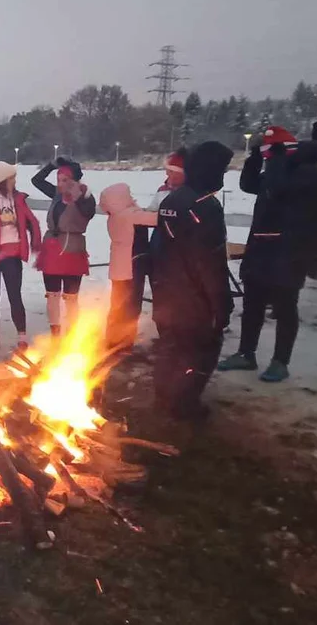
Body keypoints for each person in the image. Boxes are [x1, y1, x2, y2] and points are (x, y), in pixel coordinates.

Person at [219, 128, 317, 382]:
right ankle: (246, 353)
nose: (267, 157)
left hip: (290, 252)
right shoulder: (275, 169)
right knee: (252, 305)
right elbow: (249, 185)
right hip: (261, 248)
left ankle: (281, 361)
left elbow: (278, 190)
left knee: (285, 307)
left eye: (269, 151)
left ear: (284, 150)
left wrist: (279, 160)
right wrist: (254, 159)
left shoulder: (309, 173)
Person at [149, 141, 235, 422]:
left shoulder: (172, 201)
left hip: (168, 293)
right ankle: (184, 404)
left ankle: (164, 394)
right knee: (201, 351)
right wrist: (221, 304)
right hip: (195, 300)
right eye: (222, 169)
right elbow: (209, 264)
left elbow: (161, 249)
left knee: (171, 346)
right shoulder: (205, 206)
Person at [0, 161, 41, 351]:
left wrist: (36, 240)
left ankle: (22, 337)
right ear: (3, 180)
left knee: (15, 295)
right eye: (11, 178)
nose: (14, 181)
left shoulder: (17, 198)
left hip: (12, 254)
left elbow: (32, 221)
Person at [31, 157, 96, 336]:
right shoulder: (56, 195)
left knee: (71, 297)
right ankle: (55, 331)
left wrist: (77, 195)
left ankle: (72, 333)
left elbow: (88, 212)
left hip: (73, 249)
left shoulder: (86, 197)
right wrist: (51, 165)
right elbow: (36, 181)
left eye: (65, 180)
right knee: (52, 294)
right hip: (52, 248)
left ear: (74, 180)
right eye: (58, 180)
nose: (60, 184)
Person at [99, 183, 158, 357]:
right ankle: (123, 345)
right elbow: (156, 219)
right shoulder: (130, 215)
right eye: (128, 194)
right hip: (131, 266)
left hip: (118, 267)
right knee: (130, 307)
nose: (131, 196)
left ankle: (113, 341)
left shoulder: (115, 215)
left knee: (117, 306)